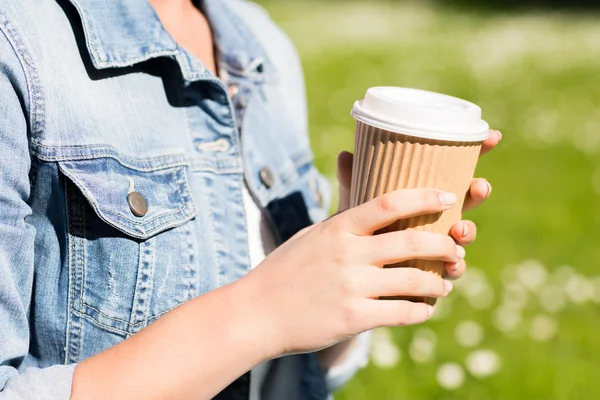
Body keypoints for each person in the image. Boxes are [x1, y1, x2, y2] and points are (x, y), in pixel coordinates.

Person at [0, 0, 501, 398]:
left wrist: (362, 267)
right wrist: (261, 312)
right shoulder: (18, 42)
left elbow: (298, 376)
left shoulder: (260, 41)